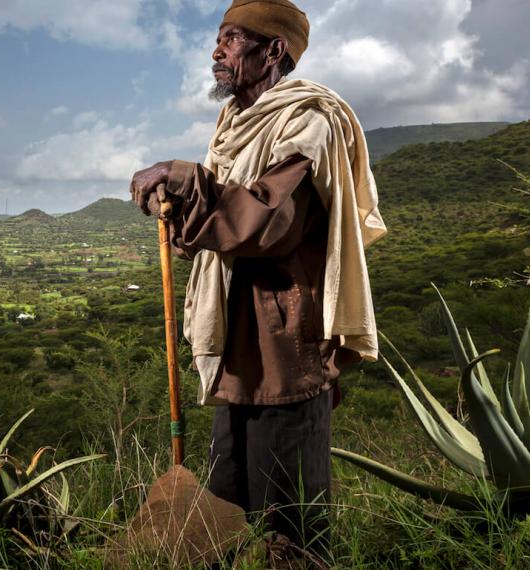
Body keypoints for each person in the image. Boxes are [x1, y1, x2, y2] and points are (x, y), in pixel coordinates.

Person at [129, 0, 387, 558]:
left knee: (287, 510)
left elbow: (266, 221)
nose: (216, 51)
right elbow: (218, 220)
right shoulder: (233, 124)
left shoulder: (308, 121)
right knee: (231, 494)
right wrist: (178, 201)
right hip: (238, 342)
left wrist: (180, 177)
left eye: (231, 39)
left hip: (286, 344)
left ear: (273, 51)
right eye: (217, 39)